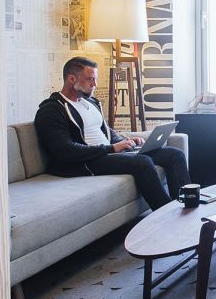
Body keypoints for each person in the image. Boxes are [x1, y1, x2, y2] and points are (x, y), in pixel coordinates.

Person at [34, 56, 189, 209]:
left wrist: (126, 141)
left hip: (107, 153)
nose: (94, 84)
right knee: (143, 163)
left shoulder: (90, 103)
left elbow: (106, 131)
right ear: (71, 79)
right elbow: (65, 150)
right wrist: (112, 148)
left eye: (95, 79)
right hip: (85, 162)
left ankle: (187, 205)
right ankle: (165, 214)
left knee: (174, 155)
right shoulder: (51, 110)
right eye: (90, 79)